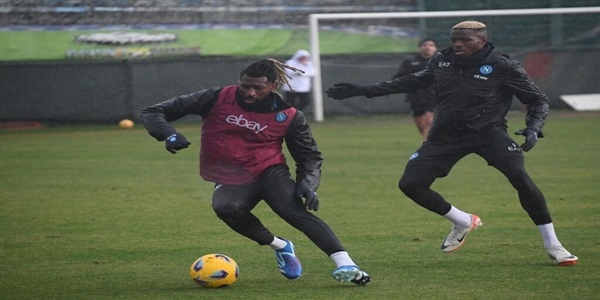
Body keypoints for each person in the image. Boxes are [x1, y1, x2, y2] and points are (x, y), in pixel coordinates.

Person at [326, 21, 578, 266]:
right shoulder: (442, 60)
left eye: (464, 39)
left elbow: (538, 100)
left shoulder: (503, 65)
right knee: (411, 184)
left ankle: (553, 244)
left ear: (482, 40)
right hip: (445, 135)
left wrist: (534, 127)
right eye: (454, 39)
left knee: (520, 178)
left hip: (488, 133)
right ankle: (462, 221)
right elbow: (412, 81)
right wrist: (364, 89)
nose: (457, 44)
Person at [140, 58, 371, 284]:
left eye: (258, 88)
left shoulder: (289, 115)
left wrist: (308, 184)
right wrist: (168, 134)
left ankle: (346, 264)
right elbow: (153, 112)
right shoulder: (216, 97)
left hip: (269, 170)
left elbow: (309, 155)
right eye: (245, 86)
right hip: (232, 174)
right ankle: (280, 246)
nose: (250, 92)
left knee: (292, 211)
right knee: (226, 208)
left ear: (272, 86)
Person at [392, 39, 438, 140]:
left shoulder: (440, 61)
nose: (427, 47)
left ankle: (426, 149)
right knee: (420, 124)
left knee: (429, 121)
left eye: (431, 45)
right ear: (420, 48)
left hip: (435, 96)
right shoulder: (410, 61)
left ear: (435, 48)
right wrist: (390, 87)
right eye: (424, 45)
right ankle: (431, 141)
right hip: (415, 96)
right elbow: (401, 77)